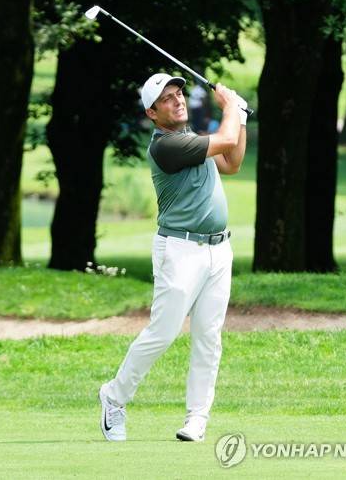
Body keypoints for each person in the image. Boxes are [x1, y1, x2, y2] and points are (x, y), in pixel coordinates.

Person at [99, 72, 248, 442]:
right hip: (180, 250)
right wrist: (231, 108)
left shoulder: (192, 139)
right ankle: (114, 396)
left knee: (208, 337)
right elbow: (227, 139)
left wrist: (240, 117)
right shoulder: (166, 146)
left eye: (179, 93)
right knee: (162, 333)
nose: (178, 100)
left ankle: (197, 418)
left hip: (218, 250)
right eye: (166, 98)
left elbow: (232, 162)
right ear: (152, 113)